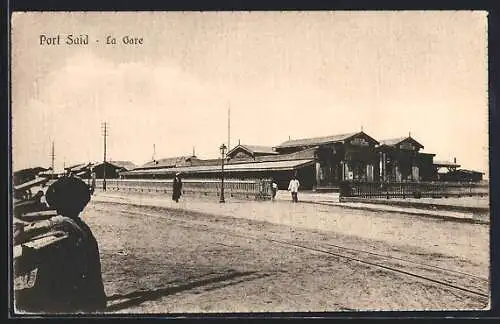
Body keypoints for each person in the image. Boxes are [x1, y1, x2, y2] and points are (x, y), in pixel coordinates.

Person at [15, 175, 107, 313]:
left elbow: (26, 253)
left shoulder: (58, 224)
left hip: (65, 299)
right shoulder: (80, 225)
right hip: (89, 295)